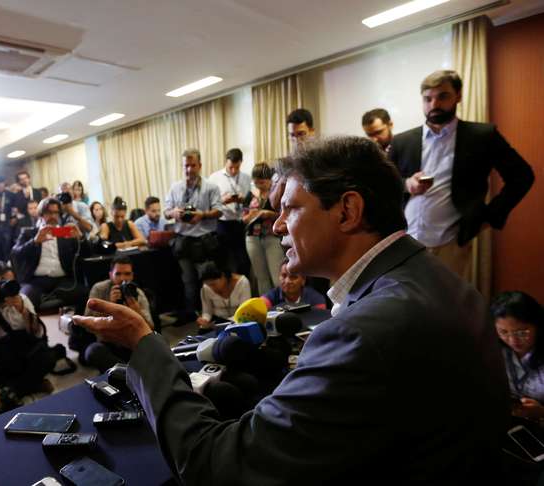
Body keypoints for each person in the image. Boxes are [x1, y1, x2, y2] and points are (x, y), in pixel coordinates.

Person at [74, 136, 508, 485]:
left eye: (290, 208)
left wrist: (145, 345)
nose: (277, 224)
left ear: (348, 211)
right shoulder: (442, 279)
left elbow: (216, 466)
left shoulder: (363, 331)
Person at [389, 70, 534, 279]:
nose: (434, 104)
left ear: (458, 96)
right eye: (427, 99)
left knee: (445, 308)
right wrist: (406, 184)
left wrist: (489, 217)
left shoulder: (482, 136)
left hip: (450, 244)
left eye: (443, 96)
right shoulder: (402, 141)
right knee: (408, 308)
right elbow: (383, 184)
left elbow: (522, 176)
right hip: (403, 244)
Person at [0, 261, 58, 405]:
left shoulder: (21, 298)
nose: (6, 287)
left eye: (10, 282)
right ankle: (29, 385)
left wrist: (23, 311)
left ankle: (13, 390)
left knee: (47, 356)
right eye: (1, 283)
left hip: (22, 353)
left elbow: (37, 334)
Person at [163, 148, 223, 322]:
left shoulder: (211, 187)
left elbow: (219, 211)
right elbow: (165, 212)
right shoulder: (175, 187)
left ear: (200, 165)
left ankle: (213, 316)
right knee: (188, 283)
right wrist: (173, 213)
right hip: (183, 242)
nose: (189, 169)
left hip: (205, 241)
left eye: (193, 165)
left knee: (208, 280)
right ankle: (194, 318)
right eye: (186, 166)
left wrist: (202, 215)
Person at [11, 198, 88, 314]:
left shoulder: (65, 233)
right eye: (48, 212)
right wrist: (34, 241)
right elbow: (15, 254)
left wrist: (81, 238)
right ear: (41, 215)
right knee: (24, 301)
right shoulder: (29, 232)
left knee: (85, 294)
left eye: (56, 212)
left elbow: (87, 253)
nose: (52, 216)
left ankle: (77, 328)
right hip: (36, 281)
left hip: (63, 280)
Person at [84, 256, 154, 372]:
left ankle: (123, 372)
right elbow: (88, 325)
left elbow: (150, 329)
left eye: (127, 274)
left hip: (132, 342)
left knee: (157, 351)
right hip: (108, 341)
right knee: (93, 351)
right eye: (118, 274)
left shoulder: (137, 293)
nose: (123, 279)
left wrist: (137, 312)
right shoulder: (99, 289)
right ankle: (130, 374)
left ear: (132, 276)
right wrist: (109, 306)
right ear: (111, 275)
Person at [491, 291, 544, 420]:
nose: (512, 340)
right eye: (503, 332)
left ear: (537, 326)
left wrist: (542, 413)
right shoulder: (494, 349)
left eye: (521, 332)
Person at [208, 148, 252, 276]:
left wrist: (243, 199)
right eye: (230, 167)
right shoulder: (214, 178)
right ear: (226, 162)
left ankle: (244, 289)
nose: (233, 170)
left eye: (236, 167)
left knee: (243, 261)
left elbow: (252, 201)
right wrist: (223, 200)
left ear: (241, 163)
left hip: (241, 222)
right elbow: (209, 203)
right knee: (225, 260)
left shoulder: (246, 177)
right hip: (223, 223)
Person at [243, 162, 281, 294]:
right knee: (261, 278)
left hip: (272, 237)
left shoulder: (276, 193)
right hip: (252, 237)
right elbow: (244, 218)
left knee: (277, 277)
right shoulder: (250, 195)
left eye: (262, 181)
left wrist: (270, 214)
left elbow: (284, 215)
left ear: (269, 179)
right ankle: (267, 309)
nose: (259, 184)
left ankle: (282, 307)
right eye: (256, 181)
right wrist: (251, 216)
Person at [196, 261, 251, 331]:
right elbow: (207, 311)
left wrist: (227, 322)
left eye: (213, 284)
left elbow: (244, 311)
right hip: (217, 323)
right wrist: (204, 320)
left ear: (223, 276)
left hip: (239, 321)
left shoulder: (242, 283)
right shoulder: (206, 288)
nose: (212, 288)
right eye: (208, 285)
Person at [261, 259, 326, 310]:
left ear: (303, 280)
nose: (287, 281)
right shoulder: (269, 297)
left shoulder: (316, 299)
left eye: (293, 277)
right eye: (284, 276)